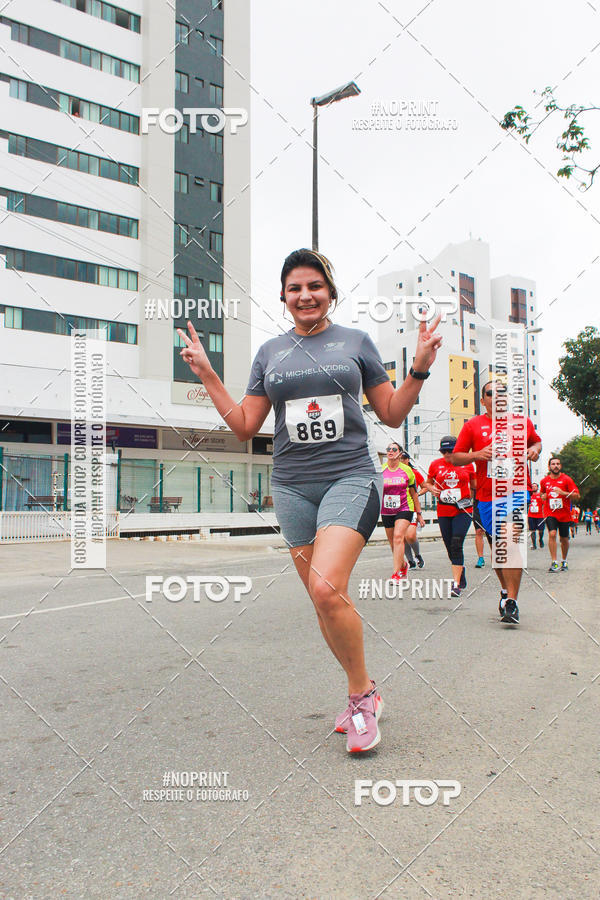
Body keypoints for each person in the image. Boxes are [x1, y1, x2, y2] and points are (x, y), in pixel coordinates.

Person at [177, 248, 442, 753]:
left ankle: (362, 700)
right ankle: (362, 690)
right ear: (283, 297)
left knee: (325, 589)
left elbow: (389, 413)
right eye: (295, 288)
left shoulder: (355, 342)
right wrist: (209, 374)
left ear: (330, 292)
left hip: (350, 477)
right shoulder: (270, 353)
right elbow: (245, 426)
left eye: (314, 286)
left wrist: (421, 369)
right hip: (293, 487)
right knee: (327, 604)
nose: (305, 295)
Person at [450, 380, 542, 624]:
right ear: (483, 400)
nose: (497, 396)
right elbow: (457, 457)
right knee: (499, 552)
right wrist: (477, 455)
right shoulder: (472, 425)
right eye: (491, 393)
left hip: (517, 491)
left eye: (502, 392)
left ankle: (512, 602)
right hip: (487, 497)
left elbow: (536, 441)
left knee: (510, 540)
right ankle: (504, 590)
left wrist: (535, 450)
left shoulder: (522, 423)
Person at [420, 435, 476, 597]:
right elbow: (428, 482)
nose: (446, 454)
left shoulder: (467, 464)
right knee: (449, 546)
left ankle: (456, 584)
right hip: (444, 510)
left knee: (457, 543)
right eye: (443, 451)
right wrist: (430, 489)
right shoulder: (435, 465)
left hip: (463, 510)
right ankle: (460, 570)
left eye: (450, 451)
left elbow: (474, 486)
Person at [381, 442, 424, 581]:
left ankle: (396, 574)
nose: (390, 451)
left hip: (404, 508)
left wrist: (419, 514)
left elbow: (414, 493)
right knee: (393, 543)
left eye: (394, 449)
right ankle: (403, 564)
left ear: (400, 453)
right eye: (388, 449)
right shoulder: (380, 470)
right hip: (387, 510)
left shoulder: (407, 470)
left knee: (398, 537)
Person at [540, 457, 580, 573]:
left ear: (560, 466)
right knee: (552, 534)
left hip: (564, 514)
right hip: (550, 512)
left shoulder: (567, 479)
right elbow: (542, 493)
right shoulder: (544, 481)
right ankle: (554, 562)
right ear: (549, 467)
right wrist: (543, 497)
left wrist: (564, 493)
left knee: (564, 538)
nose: (555, 466)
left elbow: (577, 495)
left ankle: (564, 560)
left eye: (558, 464)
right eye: (553, 464)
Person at [399, 449, 425, 568]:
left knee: (410, 535)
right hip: (398, 509)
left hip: (412, 508)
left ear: (408, 460)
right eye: (400, 459)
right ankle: (411, 561)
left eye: (404, 458)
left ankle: (418, 554)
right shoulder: (395, 472)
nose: (402, 461)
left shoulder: (414, 472)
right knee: (402, 537)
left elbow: (425, 487)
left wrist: (417, 494)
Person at [528, 483, 545, 549]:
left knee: (541, 530)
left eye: (535, 486)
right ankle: (534, 544)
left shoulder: (540, 496)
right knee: (532, 530)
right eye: (532, 486)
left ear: (537, 488)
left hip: (540, 516)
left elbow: (544, 505)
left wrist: (544, 513)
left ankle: (540, 539)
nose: (534, 488)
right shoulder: (529, 496)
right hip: (531, 515)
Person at [472, 498, 487, 568]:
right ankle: (481, 558)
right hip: (478, 503)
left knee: (493, 532)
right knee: (479, 531)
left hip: (492, 501)